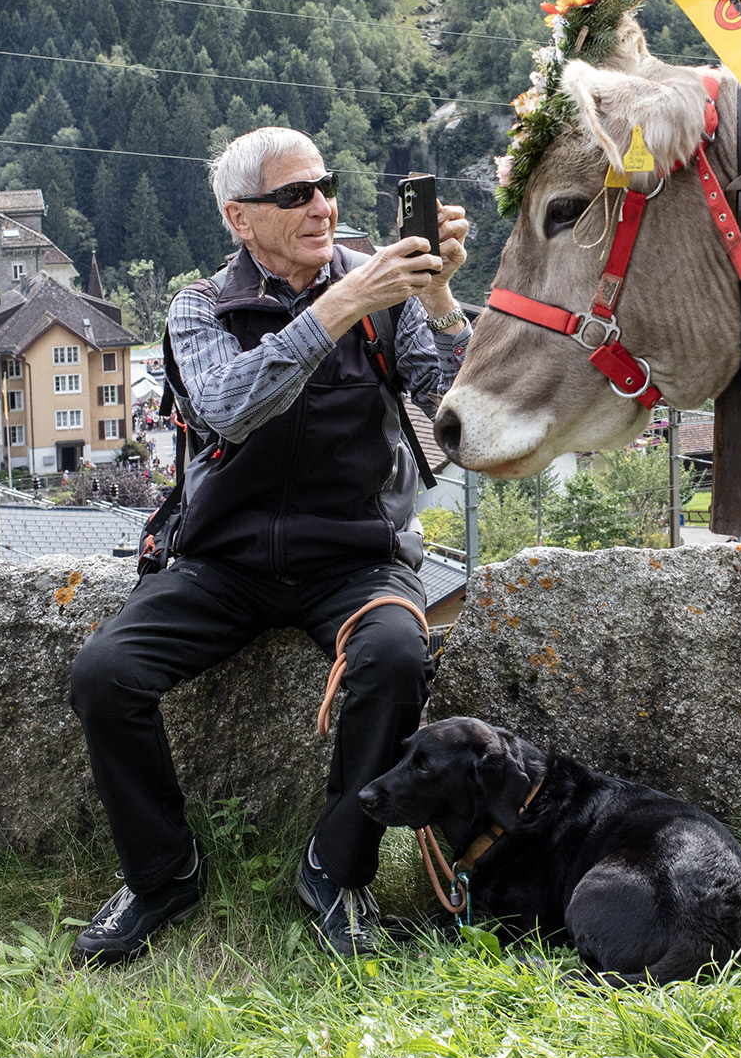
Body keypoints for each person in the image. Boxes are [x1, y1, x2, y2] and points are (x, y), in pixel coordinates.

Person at [65, 125, 469, 964]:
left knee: (397, 657)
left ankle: (337, 868)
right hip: (224, 561)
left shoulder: (386, 295)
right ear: (239, 218)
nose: (320, 207)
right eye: (294, 195)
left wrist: (437, 303)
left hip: (355, 557)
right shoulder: (200, 306)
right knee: (105, 675)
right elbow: (227, 408)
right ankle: (162, 876)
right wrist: (339, 307)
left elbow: (452, 412)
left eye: (324, 187)